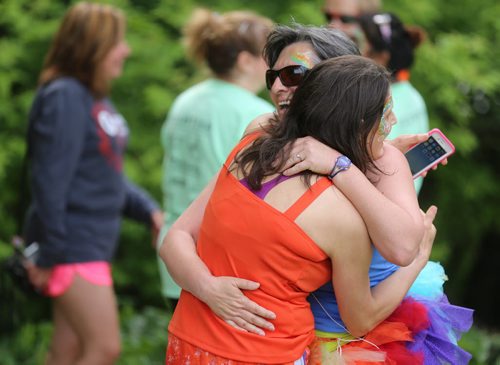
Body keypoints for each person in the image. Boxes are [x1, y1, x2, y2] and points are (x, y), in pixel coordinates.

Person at [162, 55, 435, 364]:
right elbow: (361, 318)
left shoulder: (252, 144)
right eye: (386, 112)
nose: (394, 121)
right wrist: (419, 260)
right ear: (357, 123)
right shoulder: (341, 217)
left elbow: (179, 237)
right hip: (268, 354)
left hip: (188, 344)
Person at [24, 3, 163, 364]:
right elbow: (49, 181)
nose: (126, 49)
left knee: (67, 352)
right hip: (73, 245)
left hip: (88, 244)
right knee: (104, 347)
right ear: (94, 45)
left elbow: (104, 174)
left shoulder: (91, 97)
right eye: (118, 41)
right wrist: (49, 252)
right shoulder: (65, 96)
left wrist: (148, 211)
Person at [156, 8, 274, 307]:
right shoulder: (252, 113)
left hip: (173, 250)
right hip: (216, 262)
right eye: (267, 55)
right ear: (245, 61)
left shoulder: (186, 99)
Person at [358, 12, 430, 192]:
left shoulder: (380, 99)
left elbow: (376, 158)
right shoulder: (414, 97)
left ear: (382, 57)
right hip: (403, 199)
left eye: (358, 44)